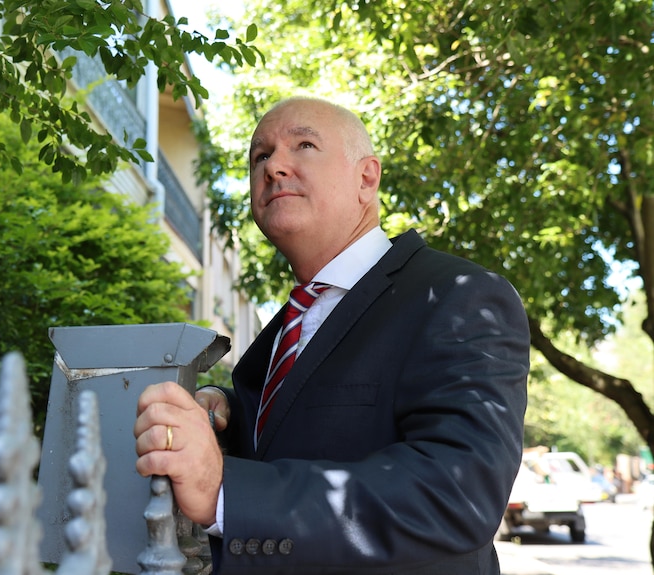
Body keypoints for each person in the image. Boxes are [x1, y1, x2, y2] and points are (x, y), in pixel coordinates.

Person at [134, 96, 529, 574]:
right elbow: (310, 429)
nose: (275, 166)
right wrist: (227, 413)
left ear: (367, 178)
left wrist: (226, 491)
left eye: (303, 144)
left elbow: (457, 495)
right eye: (260, 155)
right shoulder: (289, 324)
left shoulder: (460, 296)